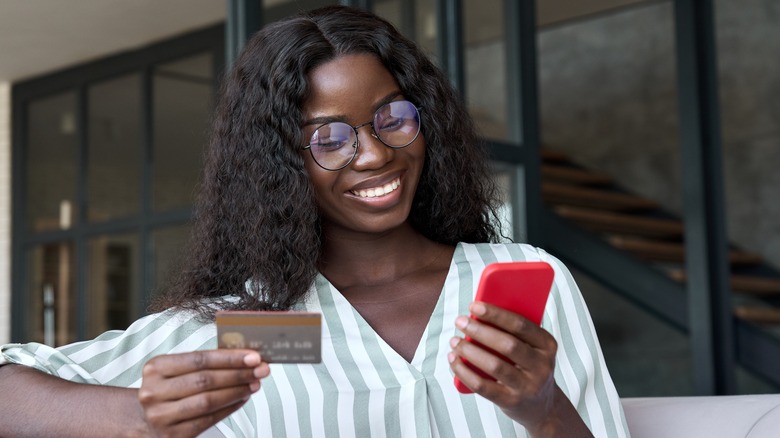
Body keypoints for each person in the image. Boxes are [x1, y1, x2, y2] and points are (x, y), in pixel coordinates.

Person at [0, 5, 628, 437]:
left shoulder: (520, 279)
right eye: (327, 138)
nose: (377, 153)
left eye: (392, 118)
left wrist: (545, 413)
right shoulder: (274, 329)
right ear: (280, 164)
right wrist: (139, 416)